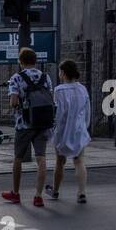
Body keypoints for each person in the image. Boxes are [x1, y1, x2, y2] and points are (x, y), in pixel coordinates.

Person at [1, 47, 55, 207]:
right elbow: (49, 97)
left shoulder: (16, 78)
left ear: (21, 61)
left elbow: (14, 102)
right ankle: (38, 196)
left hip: (24, 124)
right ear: (35, 60)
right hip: (43, 122)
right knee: (41, 158)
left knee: (18, 158)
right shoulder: (46, 77)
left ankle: (16, 193)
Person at [46, 58, 91, 204]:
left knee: (60, 161)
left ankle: (56, 190)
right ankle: (81, 193)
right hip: (79, 130)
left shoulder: (59, 90)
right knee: (79, 161)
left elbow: (58, 113)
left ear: (63, 73)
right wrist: (85, 126)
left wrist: (53, 129)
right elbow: (87, 111)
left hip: (63, 131)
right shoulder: (82, 89)